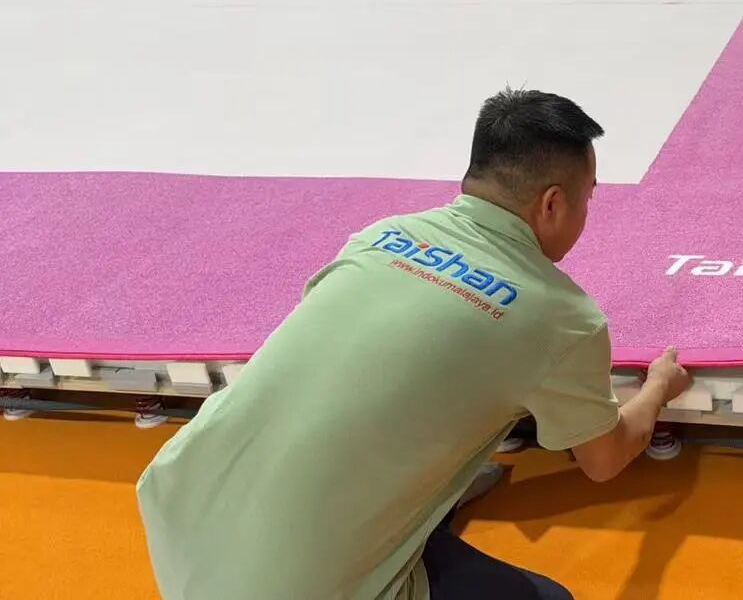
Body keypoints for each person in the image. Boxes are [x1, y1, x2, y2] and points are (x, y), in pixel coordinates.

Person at [136, 89, 694, 600]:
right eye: (587, 198)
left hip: (178, 517)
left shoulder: (380, 235)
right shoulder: (562, 316)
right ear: (552, 204)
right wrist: (657, 389)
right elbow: (605, 458)